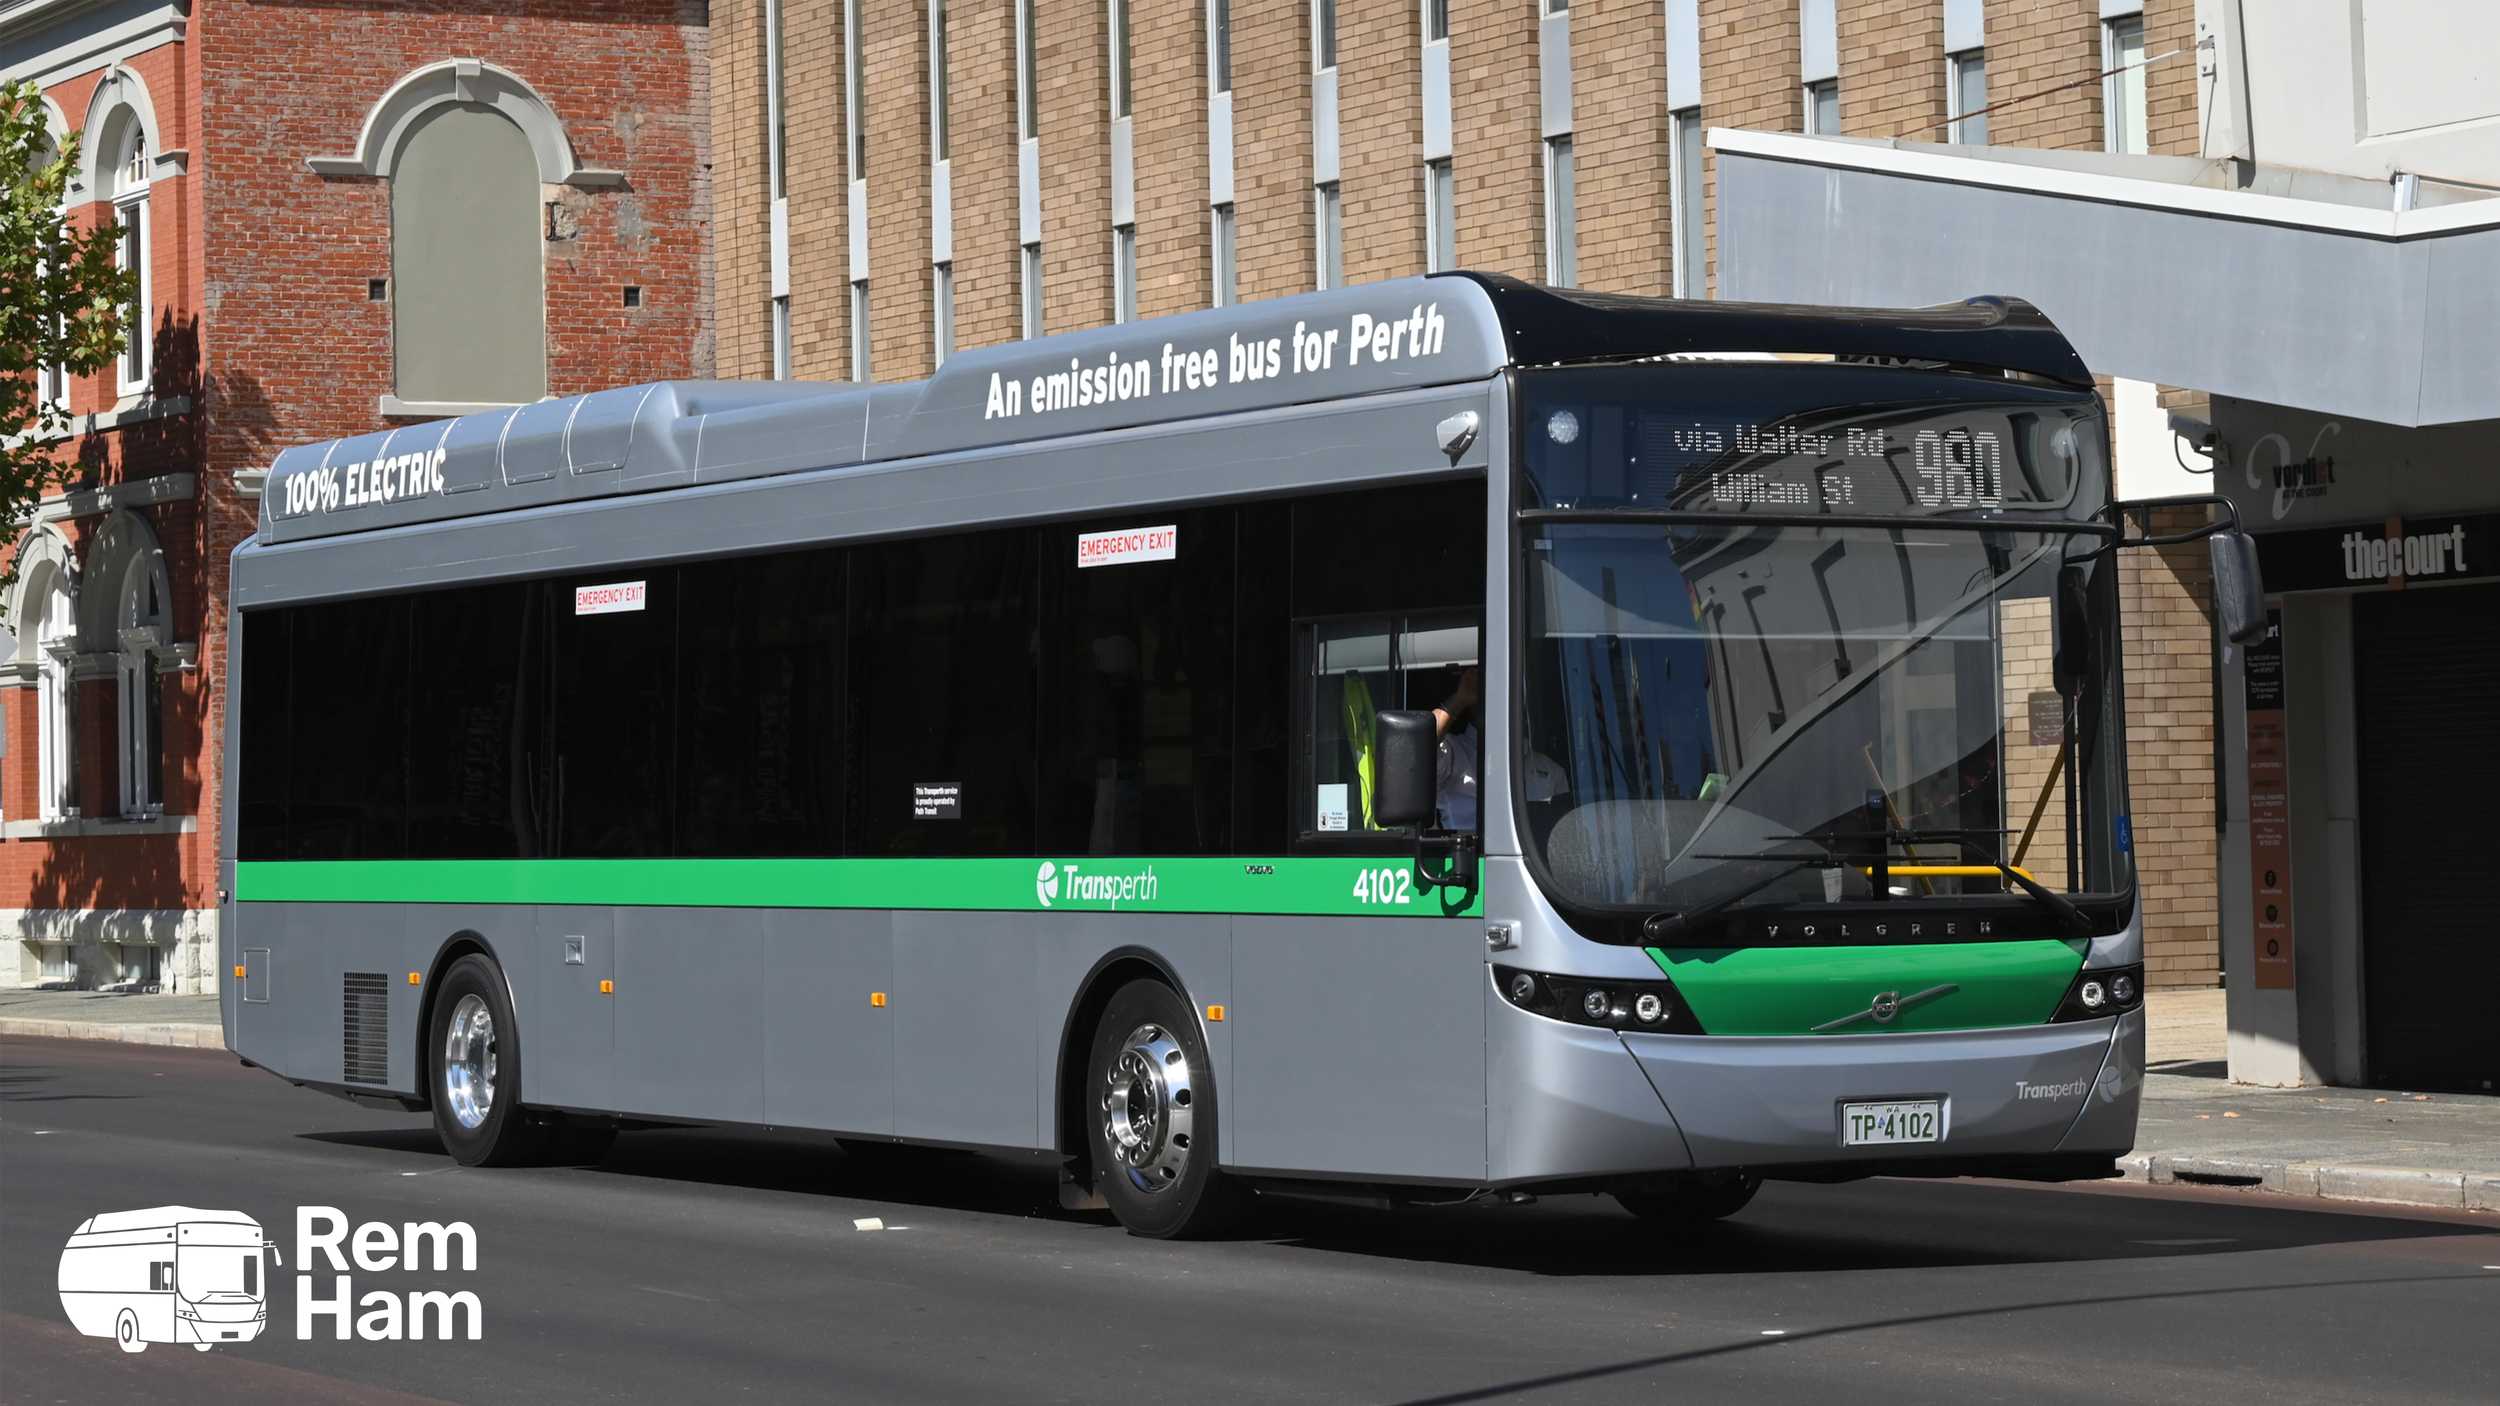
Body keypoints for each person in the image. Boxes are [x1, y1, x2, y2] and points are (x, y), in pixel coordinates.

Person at [1431, 666, 1482, 831]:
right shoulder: (1456, 752)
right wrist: (1461, 698)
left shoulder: (1549, 769)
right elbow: (1416, 746)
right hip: (1467, 854)